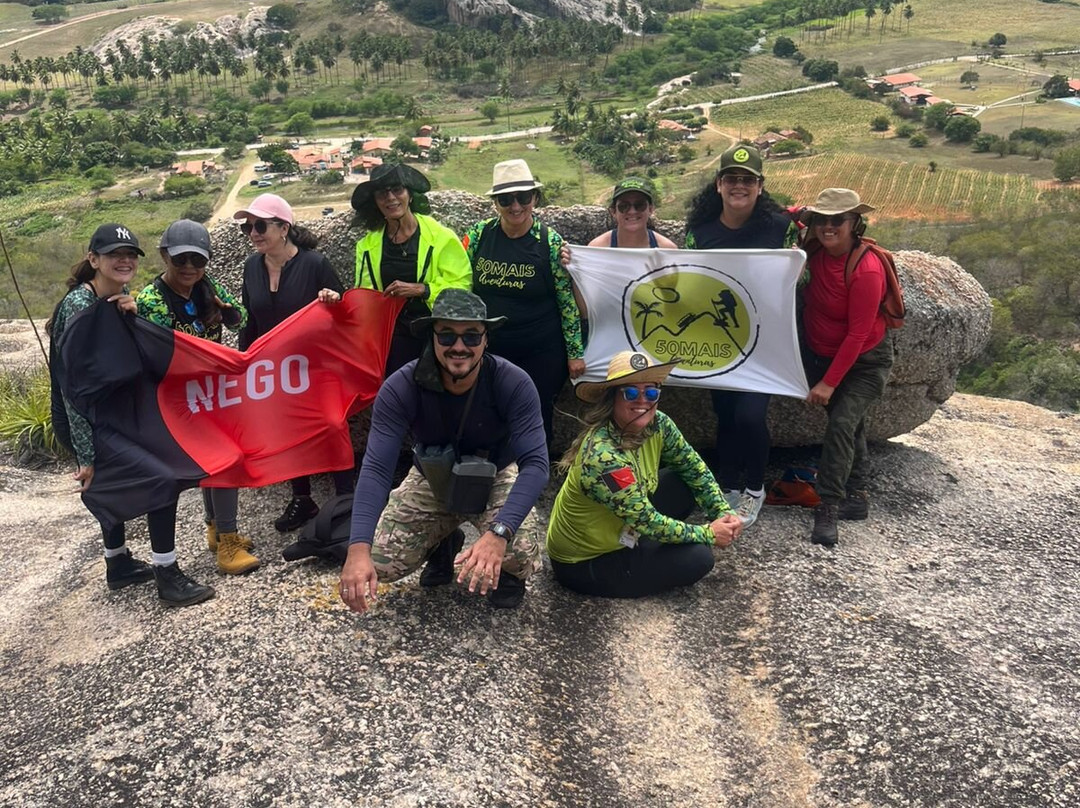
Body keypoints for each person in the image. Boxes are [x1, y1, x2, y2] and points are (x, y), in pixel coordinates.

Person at [339, 289, 547, 612]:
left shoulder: (512, 382)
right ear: (432, 337)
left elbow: (536, 465)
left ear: (486, 339)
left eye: (471, 336)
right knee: (378, 563)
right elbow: (377, 468)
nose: (459, 346)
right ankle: (442, 542)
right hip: (432, 477)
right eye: (447, 334)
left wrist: (499, 533)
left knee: (518, 552)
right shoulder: (401, 387)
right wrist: (357, 548)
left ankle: (506, 575)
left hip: (495, 474)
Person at [46, 224, 214, 607]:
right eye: (113, 254)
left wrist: (131, 316)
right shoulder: (79, 305)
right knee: (163, 477)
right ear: (93, 260)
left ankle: (118, 564)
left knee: (117, 481)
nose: (124, 261)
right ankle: (167, 575)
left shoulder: (114, 296)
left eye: (130, 255)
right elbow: (72, 389)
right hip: (87, 419)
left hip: (111, 413)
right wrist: (85, 454)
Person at [547, 351, 742, 598]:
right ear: (611, 398)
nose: (643, 400)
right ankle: (640, 553)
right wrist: (709, 533)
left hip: (626, 525)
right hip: (584, 561)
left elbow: (692, 466)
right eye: (631, 392)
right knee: (699, 558)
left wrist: (722, 511)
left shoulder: (658, 423)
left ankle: (646, 547)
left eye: (651, 392)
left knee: (683, 482)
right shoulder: (603, 457)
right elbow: (646, 520)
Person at [136, 219, 259, 576]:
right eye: (181, 260)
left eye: (198, 260)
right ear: (164, 257)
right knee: (226, 459)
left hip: (212, 390)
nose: (189, 267)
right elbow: (161, 352)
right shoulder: (152, 300)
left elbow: (239, 320)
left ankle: (216, 528)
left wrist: (230, 312)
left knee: (215, 460)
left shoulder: (209, 287)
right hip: (178, 397)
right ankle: (228, 541)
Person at [684, 144, 798, 528]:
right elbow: (687, 277)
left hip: (763, 342)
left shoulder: (781, 228)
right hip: (719, 341)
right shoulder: (699, 232)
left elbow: (798, 278)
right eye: (731, 178)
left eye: (748, 180)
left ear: (760, 186)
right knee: (726, 415)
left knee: (751, 416)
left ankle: (754, 489)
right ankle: (728, 486)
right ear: (718, 184)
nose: (739, 186)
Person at [234, 193, 352, 533]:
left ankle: (346, 498)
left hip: (317, 366)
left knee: (332, 424)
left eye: (259, 225)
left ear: (284, 227)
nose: (253, 233)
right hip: (275, 371)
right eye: (247, 228)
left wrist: (332, 300)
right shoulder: (251, 267)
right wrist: (244, 363)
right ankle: (302, 498)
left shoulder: (315, 264)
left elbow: (343, 316)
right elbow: (250, 320)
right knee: (287, 431)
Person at [463, 159, 584, 449]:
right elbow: (462, 285)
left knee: (537, 408)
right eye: (506, 199)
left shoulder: (550, 242)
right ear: (495, 203)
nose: (515, 206)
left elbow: (566, 301)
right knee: (490, 406)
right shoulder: (478, 235)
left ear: (535, 199)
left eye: (523, 197)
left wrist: (575, 353)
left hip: (541, 348)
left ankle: (534, 470)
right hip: (491, 345)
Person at [799, 188, 894, 547]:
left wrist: (827, 383)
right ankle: (857, 497)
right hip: (823, 355)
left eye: (837, 220)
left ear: (855, 223)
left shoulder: (866, 268)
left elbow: (857, 334)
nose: (828, 227)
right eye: (821, 220)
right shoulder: (813, 254)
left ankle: (828, 503)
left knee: (841, 424)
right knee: (850, 426)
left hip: (865, 362)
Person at [351, 163, 472, 375]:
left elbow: (462, 287)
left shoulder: (441, 238)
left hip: (436, 337)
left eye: (397, 189)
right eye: (382, 194)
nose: (390, 198)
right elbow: (365, 299)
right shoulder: (367, 247)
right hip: (392, 341)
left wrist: (423, 290)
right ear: (376, 203)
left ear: (410, 194)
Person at [587, 177, 678, 250]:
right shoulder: (598, 250)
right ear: (613, 211)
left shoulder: (667, 251)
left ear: (650, 209)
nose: (632, 211)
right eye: (624, 206)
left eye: (639, 205)